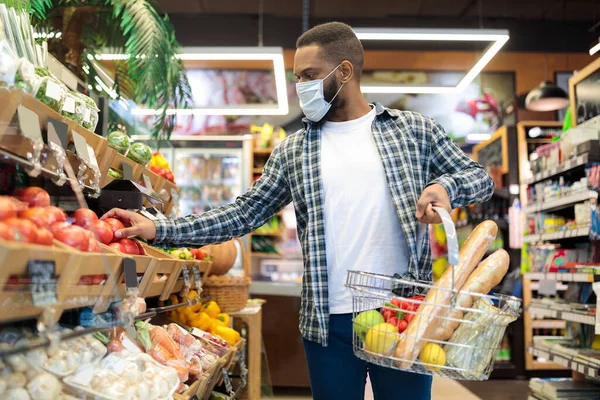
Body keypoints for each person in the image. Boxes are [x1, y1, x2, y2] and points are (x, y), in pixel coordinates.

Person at [102, 22, 493, 400]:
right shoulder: (294, 150)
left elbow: (479, 177)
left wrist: (446, 186)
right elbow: (243, 213)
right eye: (297, 78)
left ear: (344, 71)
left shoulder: (413, 131)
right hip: (328, 321)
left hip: (404, 314)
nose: (301, 87)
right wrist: (160, 229)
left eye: (310, 75)